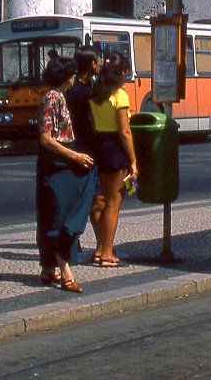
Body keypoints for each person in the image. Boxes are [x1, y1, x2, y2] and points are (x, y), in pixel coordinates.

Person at [35, 56, 96, 293]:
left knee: (53, 215)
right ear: (65, 76)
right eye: (71, 74)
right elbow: (46, 138)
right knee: (61, 217)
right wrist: (75, 157)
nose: (74, 79)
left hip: (60, 162)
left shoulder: (59, 97)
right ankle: (66, 272)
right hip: (56, 164)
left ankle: (48, 268)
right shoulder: (52, 98)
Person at [89, 51, 137, 267]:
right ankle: (108, 253)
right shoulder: (120, 95)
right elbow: (125, 132)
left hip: (100, 145)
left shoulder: (96, 94)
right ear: (123, 72)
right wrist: (134, 161)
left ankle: (100, 249)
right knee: (113, 203)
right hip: (116, 148)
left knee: (103, 199)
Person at [65, 46, 103, 243]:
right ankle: (101, 245)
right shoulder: (85, 92)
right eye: (97, 61)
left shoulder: (74, 88)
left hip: (76, 145)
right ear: (90, 64)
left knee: (80, 197)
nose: (100, 64)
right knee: (93, 197)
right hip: (85, 147)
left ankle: (75, 242)